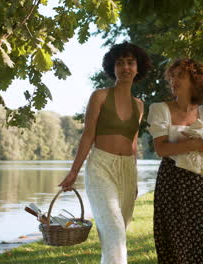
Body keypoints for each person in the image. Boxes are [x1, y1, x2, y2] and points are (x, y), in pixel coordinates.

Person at [58, 42, 151, 264]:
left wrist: (135, 179)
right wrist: (73, 172)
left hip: (127, 170)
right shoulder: (99, 96)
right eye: (120, 63)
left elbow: (133, 143)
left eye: (130, 63)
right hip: (100, 167)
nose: (125, 67)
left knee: (116, 234)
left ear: (138, 68)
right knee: (114, 229)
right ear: (113, 68)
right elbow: (87, 136)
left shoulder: (139, 106)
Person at [147, 59, 203, 263]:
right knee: (173, 240)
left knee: (202, 238)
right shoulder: (159, 109)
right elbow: (161, 149)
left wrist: (189, 142)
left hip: (199, 181)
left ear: (195, 81)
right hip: (171, 181)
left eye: (181, 75)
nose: (174, 80)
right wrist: (195, 142)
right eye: (173, 75)